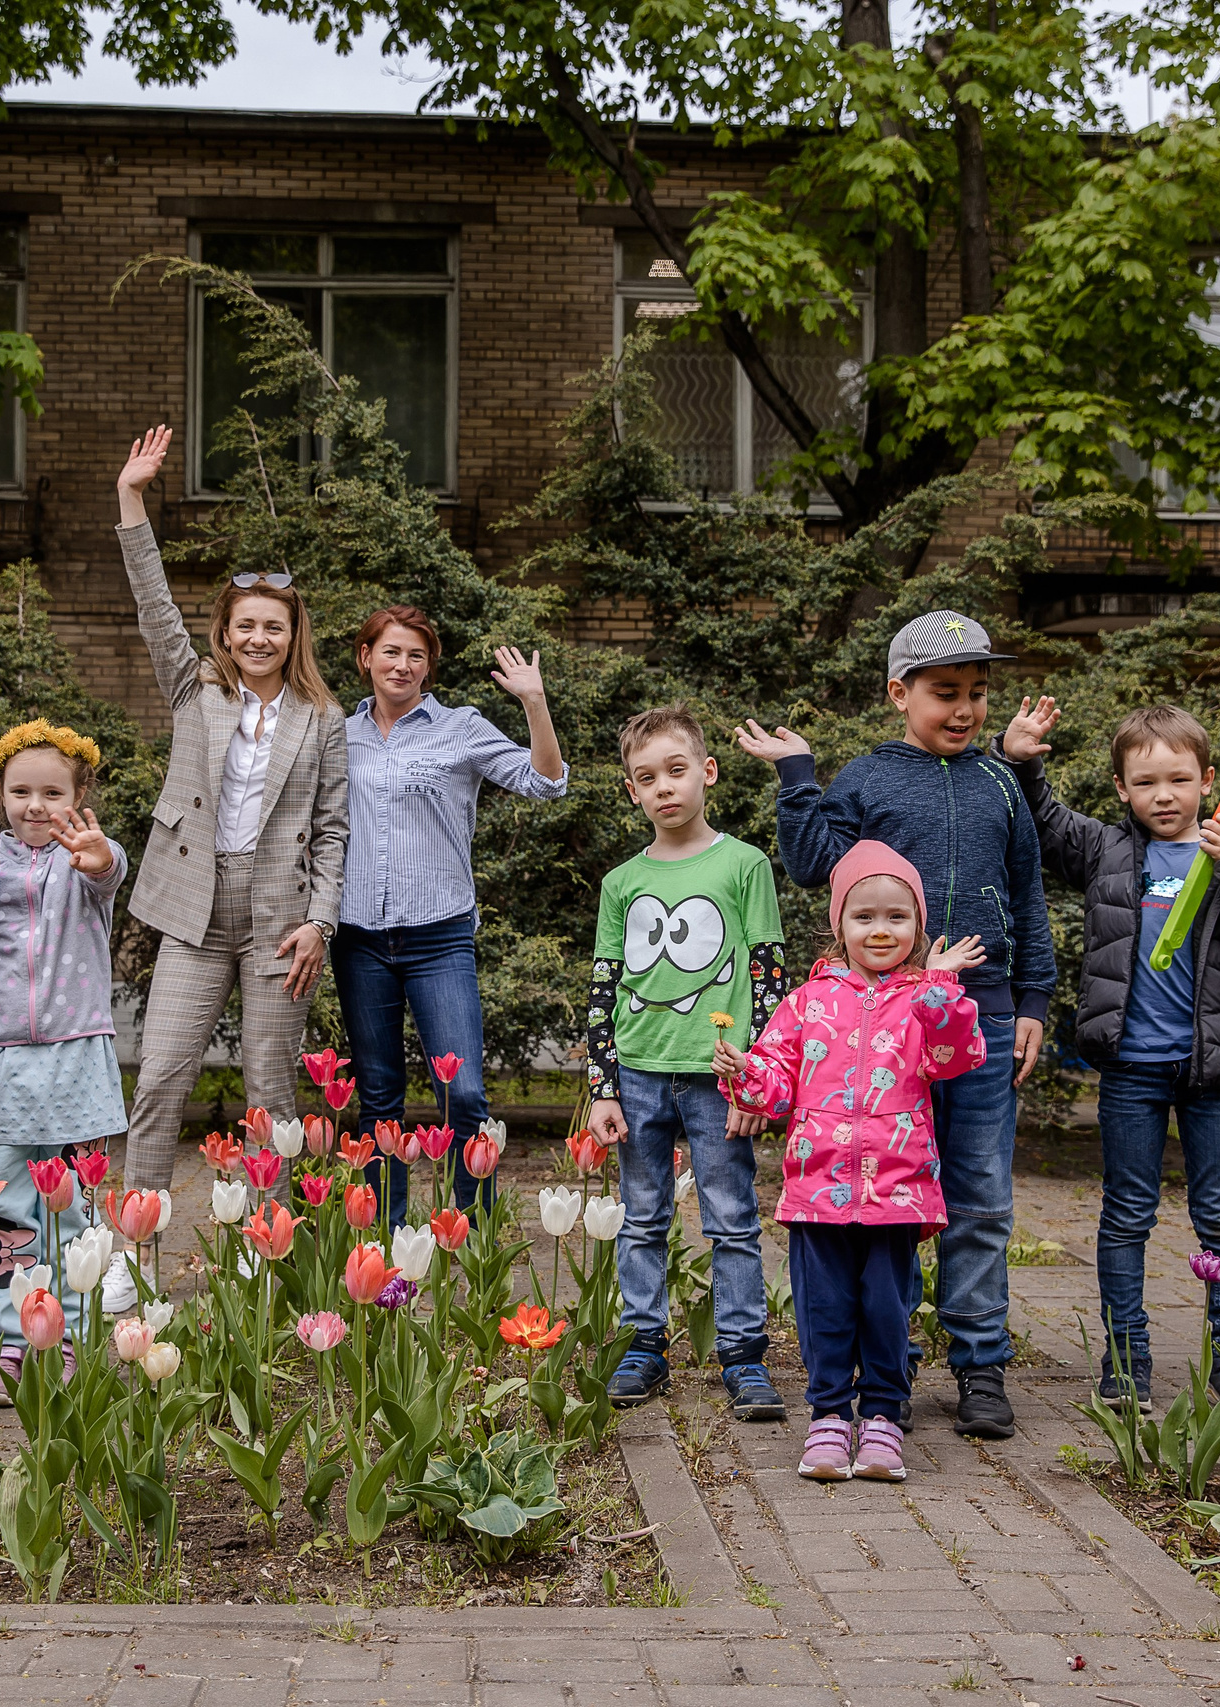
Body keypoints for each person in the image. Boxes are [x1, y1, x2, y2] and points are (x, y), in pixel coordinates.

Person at [733, 611, 1054, 1440]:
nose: (965, 709)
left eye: (978, 694)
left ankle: (981, 1361)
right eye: (946, 692)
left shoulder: (1000, 785)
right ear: (898, 692)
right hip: (877, 1036)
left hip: (975, 1015)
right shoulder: (868, 780)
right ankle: (890, 1365)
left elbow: (1027, 900)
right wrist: (799, 771)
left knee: (980, 1198)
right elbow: (811, 859)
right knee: (891, 1199)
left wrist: (1034, 1003)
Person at [998, 699, 1220, 1407]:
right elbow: (1043, 824)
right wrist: (1020, 760)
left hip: (1214, 1073)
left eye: (1177, 779)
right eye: (1144, 782)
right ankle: (1126, 1357)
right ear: (1120, 789)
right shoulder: (1108, 851)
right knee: (1127, 1213)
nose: (1162, 796)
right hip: (1131, 1068)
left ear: (1209, 779)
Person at [114, 424, 349, 1191]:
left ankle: (264, 1247)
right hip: (195, 911)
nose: (257, 636)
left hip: (280, 920)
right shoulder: (196, 690)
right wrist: (132, 497)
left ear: (291, 635)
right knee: (159, 1079)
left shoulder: (323, 718)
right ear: (225, 631)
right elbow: (153, 605)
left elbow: (333, 828)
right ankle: (134, 1245)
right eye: (244, 624)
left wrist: (320, 920)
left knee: (270, 1096)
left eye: (272, 626)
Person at [715, 841, 987, 1482]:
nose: (881, 930)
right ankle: (831, 1417)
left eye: (897, 917)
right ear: (839, 923)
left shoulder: (925, 998)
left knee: (885, 1308)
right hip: (818, 1190)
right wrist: (745, 1071)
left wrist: (941, 986)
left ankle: (886, 1418)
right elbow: (777, 1083)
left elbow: (956, 1056)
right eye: (864, 916)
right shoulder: (808, 1001)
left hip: (898, 1189)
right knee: (825, 1309)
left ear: (918, 925)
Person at [587, 705, 791, 1422]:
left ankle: (743, 1354)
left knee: (732, 1217)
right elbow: (606, 983)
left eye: (676, 771)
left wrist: (757, 1079)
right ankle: (644, 1343)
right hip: (639, 1073)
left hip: (717, 1078)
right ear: (631, 792)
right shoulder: (620, 882)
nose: (663, 788)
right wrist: (601, 1085)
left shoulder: (744, 865)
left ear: (706, 772)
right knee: (641, 1215)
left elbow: (769, 978)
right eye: (647, 778)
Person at [339, 605, 566, 1223]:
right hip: (358, 939)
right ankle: (383, 1242)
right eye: (389, 651)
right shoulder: (338, 734)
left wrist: (534, 704)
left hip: (439, 938)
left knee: (463, 1093)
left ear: (428, 666)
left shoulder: (461, 727)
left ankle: (475, 1232)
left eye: (415, 655)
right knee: (379, 1098)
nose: (402, 664)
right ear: (366, 658)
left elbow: (545, 783)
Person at [0, 720, 137, 1390]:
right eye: (20, 790)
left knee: (73, 1214)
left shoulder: (88, 856)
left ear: (79, 793)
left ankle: (66, 1341)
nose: (35, 805)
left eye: (52, 791)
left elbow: (107, 870)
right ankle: (4, 1344)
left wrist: (98, 859)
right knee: (3, 1212)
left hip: (76, 1059)